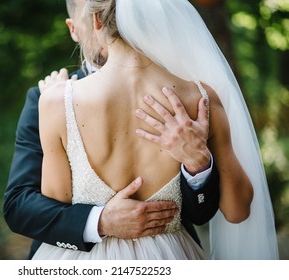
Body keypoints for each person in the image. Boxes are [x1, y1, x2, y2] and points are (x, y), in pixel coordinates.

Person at [31, 0, 279, 260]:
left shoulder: (55, 102)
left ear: (96, 22)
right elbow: (238, 211)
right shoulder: (201, 99)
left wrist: (199, 162)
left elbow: (56, 210)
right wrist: (201, 158)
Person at [3, 0, 221, 259]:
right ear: (75, 28)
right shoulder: (48, 99)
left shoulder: (184, 95)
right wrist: (99, 222)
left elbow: (200, 212)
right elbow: (18, 205)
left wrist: (199, 167)